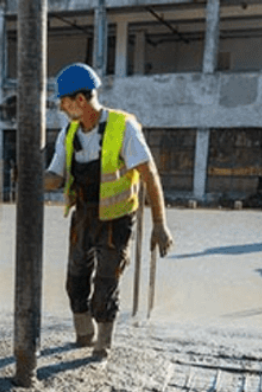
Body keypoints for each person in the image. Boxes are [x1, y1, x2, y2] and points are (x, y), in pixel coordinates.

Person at [44, 63, 174, 360]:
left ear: (80, 100)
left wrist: (160, 223)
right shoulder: (68, 132)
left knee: (105, 283)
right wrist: (32, 179)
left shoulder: (122, 127)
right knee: (75, 278)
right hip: (84, 216)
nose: (61, 109)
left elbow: (149, 173)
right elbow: (56, 175)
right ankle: (83, 334)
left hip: (116, 220)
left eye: (63, 102)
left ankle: (102, 344)